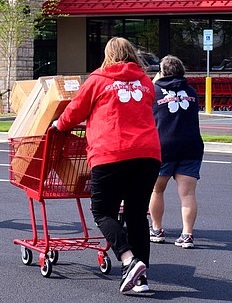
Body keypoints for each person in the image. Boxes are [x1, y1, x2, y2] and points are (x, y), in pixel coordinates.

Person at [54, 37, 161, 294]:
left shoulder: (99, 79)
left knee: (102, 211)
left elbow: (75, 111)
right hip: (148, 154)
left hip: (111, 152)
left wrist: (58, 125)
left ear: (108, 55)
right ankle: (141, 279)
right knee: (136, 215)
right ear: (132, 54)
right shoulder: (146, 82)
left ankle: (127, 259)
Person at [148, 55, 204, 249]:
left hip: (163, 146)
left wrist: (155, 82)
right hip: (191, 146)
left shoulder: (153, 91)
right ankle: (187, 234)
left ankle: (156, 229)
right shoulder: (192, 92)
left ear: (162, 72)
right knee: (188, 194)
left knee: (157, 189)